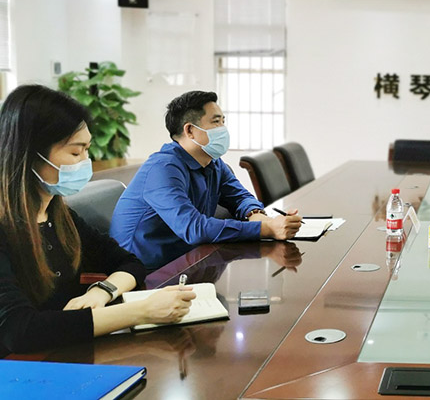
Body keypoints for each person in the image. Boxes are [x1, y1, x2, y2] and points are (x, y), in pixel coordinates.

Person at [0, 85, 196, 356]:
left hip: (67, 354)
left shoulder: (60, 216)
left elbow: (129, 262)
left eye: (87, 150)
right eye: (75, 152)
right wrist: (141, 312)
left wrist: (101, 292)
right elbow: (20, 330)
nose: (86, 162)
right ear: (31, 155)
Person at [111, 91, 301, 270]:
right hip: (143, 272)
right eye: (216, 122)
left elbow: (240, 196)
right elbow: (194, 228)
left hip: (188, 260)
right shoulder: (162, 169)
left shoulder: (213, 163)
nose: (223, 129)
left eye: (223, 121)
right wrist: (265, 228)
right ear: (190, 130)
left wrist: (256, 214)